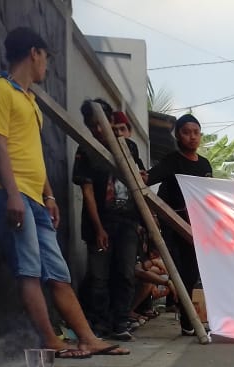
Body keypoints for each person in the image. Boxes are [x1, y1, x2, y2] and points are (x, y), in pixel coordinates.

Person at [0, 27, 128, 358]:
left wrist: (48, 195)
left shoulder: (29, 99)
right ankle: (50, 339)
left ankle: (87, 337)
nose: (47, 64)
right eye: (45, 56)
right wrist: (13, 195)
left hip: (36, 199)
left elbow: (32, 153)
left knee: (58, 272)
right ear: (34, 53)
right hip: (8, 194)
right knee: (30, 269)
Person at [71, 98, 146, 340]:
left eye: (101, 124)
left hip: (127, 222)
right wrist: (98, 227)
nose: (98, 130)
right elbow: (88, 192)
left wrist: (143, 223)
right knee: (99, 277)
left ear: (112, 121)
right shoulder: (86, 151)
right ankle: (99, 325)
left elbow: (140, 181)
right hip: (100, 223)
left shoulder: (129, 148)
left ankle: (120, 322)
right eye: (92, 125)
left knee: (125, 273)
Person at [146, 113, 212, 335]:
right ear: (178, 136)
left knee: (192, 274)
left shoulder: (204, 165)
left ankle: (189, 321)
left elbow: (209, 196)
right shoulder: (172, 161)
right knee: (180, 273)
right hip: (174, 227)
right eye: (186, 132)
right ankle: (188, 321)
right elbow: (148, 179)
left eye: (196, 132)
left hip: (196, 228)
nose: (192, 137)